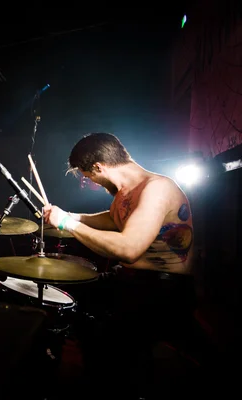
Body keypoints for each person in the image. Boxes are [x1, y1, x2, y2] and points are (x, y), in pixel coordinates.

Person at [42, 133, 209, 398]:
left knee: (111, 346)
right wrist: (70, 215)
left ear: (99, 167)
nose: (90, 181)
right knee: (72, 300)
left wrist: (67, 224)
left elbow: (129, 249)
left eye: (88, 176)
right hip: (134, 282)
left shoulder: (156, 188)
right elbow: (113, 219)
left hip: (163, 290)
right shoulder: (124, 195)